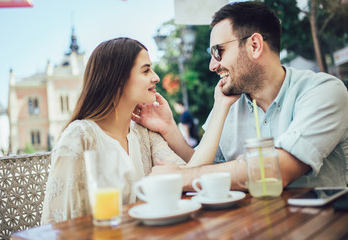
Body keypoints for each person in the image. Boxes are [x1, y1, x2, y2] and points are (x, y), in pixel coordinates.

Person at [132, 2, 348, 190]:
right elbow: (207, 168)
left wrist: (181, 178)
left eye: (218, 51)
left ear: (254, 45)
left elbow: (279, 169)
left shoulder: (324, 91)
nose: (212, 65)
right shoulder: (230, 105)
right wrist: (170, 128)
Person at [41, 38, 189, 224]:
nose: (156, 77)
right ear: (118, 80)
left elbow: (190, 173)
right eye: (146, 70)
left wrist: (171, 125)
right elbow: (58, 226)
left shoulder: (144, 133)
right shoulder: (79, 137)